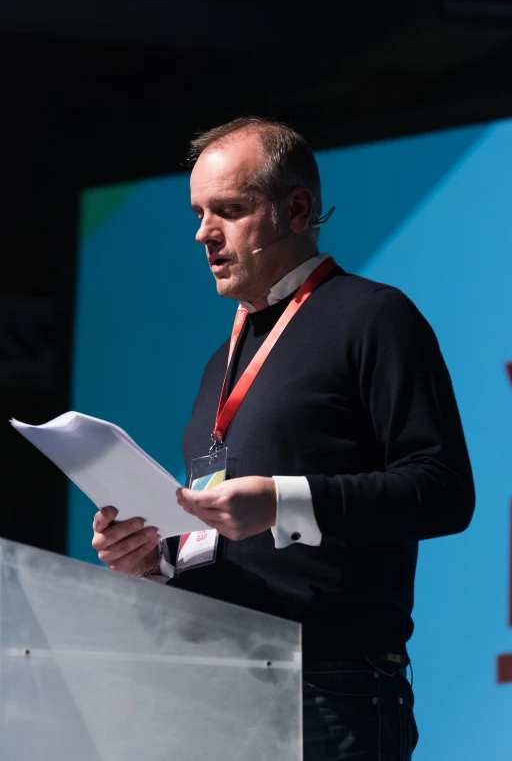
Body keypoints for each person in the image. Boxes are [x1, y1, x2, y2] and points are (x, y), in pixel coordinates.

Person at [92, 117, 475, 759]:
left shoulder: (375, 317)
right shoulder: (222, 358)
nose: (202, 233)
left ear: (296, 208)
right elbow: (224, 539)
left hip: (331, 689)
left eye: (229, 210)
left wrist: (280, 502)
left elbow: (442, 490)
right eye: (198, 212)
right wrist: (154, 557)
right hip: (218, 688)